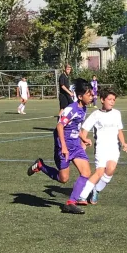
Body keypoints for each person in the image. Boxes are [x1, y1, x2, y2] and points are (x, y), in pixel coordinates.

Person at [27, 78, 94, 214]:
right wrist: (63, 146)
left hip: (75, 145)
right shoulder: (71, 109)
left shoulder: (84, 108)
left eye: (92, 94)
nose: (92, 96)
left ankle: (71, 203)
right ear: (80, 97)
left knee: (86, 173)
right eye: (89, 94)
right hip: (64, 146)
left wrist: (83, 138)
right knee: (63, 179)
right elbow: (60, 126)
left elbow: (76, 126)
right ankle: (41, 166)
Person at [77, 88, 127, 206]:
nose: (112, 102)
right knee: (99, 172)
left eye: (114, 100)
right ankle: (82, 196)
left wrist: (124, 142)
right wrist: (83, 142)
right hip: (100, 147)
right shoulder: (96, 114)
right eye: (109, 99)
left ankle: (96, 190)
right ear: (102, 100)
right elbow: (84, 129)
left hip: (114, 147)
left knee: (110, 170)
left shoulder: (117, 113)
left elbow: (119, 130)